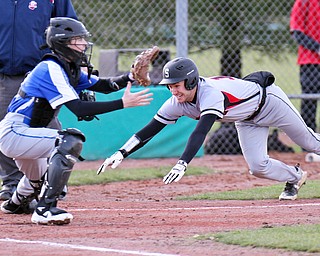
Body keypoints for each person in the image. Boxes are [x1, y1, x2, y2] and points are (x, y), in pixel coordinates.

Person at [0, 17, 153, 224]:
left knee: (37, 179)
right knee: (69, 141)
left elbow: (105, 85)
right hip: (15, 131)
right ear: (62, 43)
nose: (83, 44)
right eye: (77, 40)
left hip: (29, 133)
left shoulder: (67, 68)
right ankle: (45, 209)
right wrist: (123, 103)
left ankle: (15, 203)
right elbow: (78, 108)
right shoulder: (50, 67)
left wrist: (130, 76)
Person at [98, 57, 316, 201]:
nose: (173, 91)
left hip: (270, 103)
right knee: (257, 166)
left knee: (310, 143)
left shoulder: (209, 94)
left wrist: (182, 163)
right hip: (246, 118)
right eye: (170, 86)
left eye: (177, 85)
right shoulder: (177, 101)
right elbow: (150, 130)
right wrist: (121, 152)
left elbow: (200, 132)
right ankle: (294, 177)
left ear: (191, 82)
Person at [0, 0, 78, 201]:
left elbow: (71, 27)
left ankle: (51, 183)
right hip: (3, 73)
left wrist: (76, 68)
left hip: (40, 72)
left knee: (47, 126)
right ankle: (13, 184)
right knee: (5, 129)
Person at [290, 0, 320, 132]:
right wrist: (318, 48)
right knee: (309, 103)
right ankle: (308, 142)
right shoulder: (304, 2)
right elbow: (297, 33)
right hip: (310, 62)